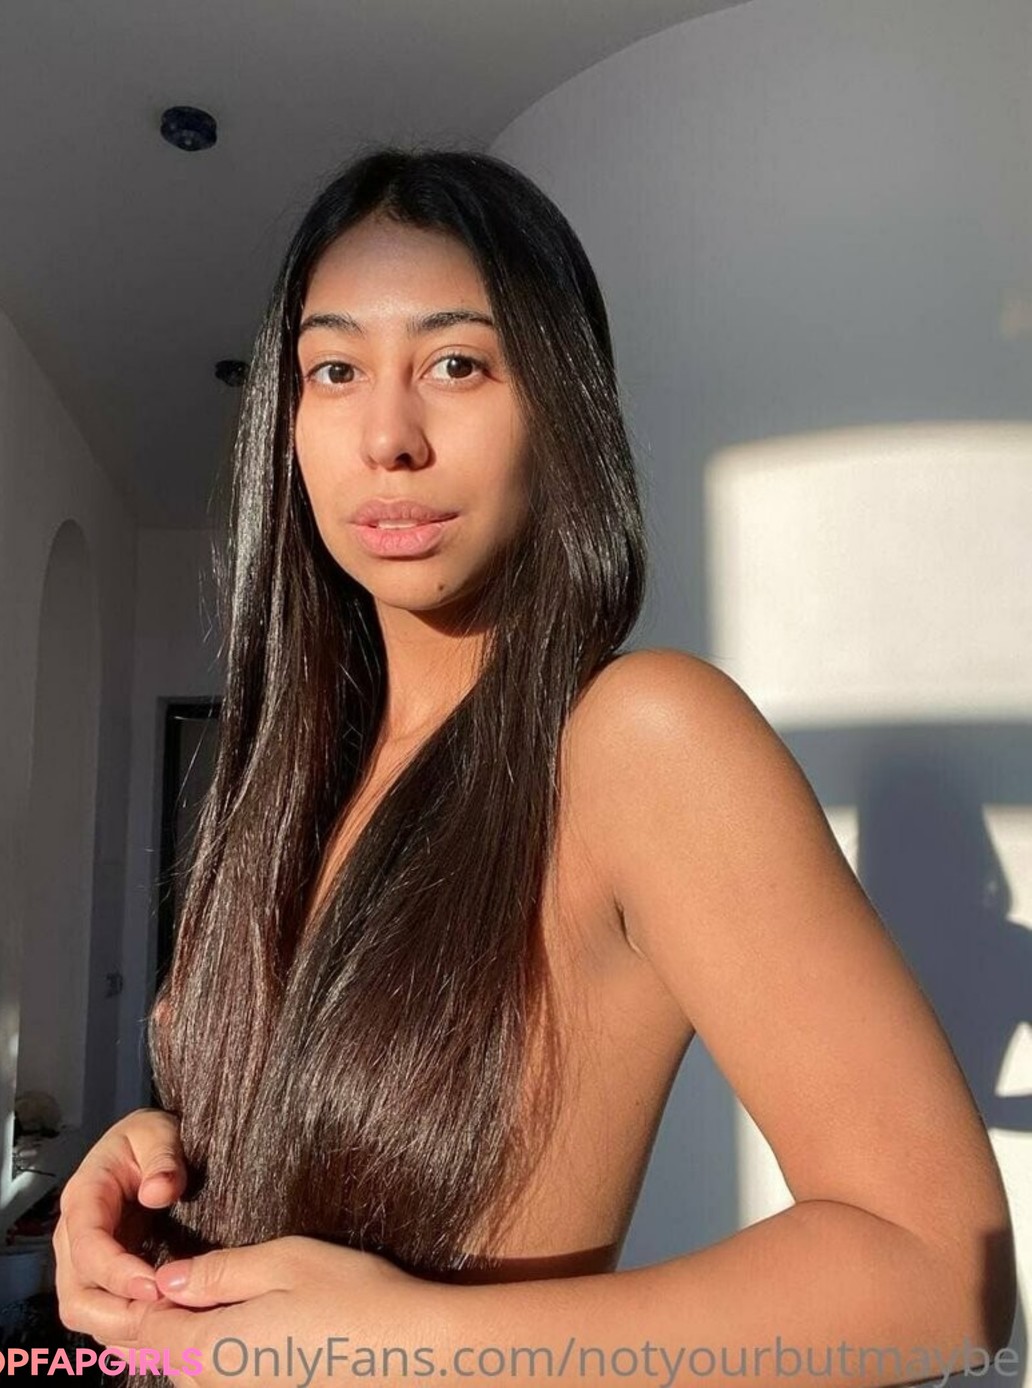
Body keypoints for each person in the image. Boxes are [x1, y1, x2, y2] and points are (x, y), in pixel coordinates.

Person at [53, 148, 1016, 1388]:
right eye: (335, 370)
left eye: (457, 363)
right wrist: (148, 1168)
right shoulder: (290, 776)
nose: (388, 436)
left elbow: (940, 1279)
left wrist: (405, 1339)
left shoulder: (636, 740)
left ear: (558, 405)